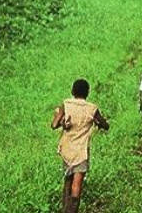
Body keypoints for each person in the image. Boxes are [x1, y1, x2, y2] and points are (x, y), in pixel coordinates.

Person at [51, 78, 109, 213]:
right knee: (76, 185)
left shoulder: (66, 104)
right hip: (81, 152)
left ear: (72, 91)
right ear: (87, 93)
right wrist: (98, 122)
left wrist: (62, 124)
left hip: (67, 150)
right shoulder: (92, 108)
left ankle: (64, 209)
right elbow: (105, 125)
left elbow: (54, 125)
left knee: (67, 180)